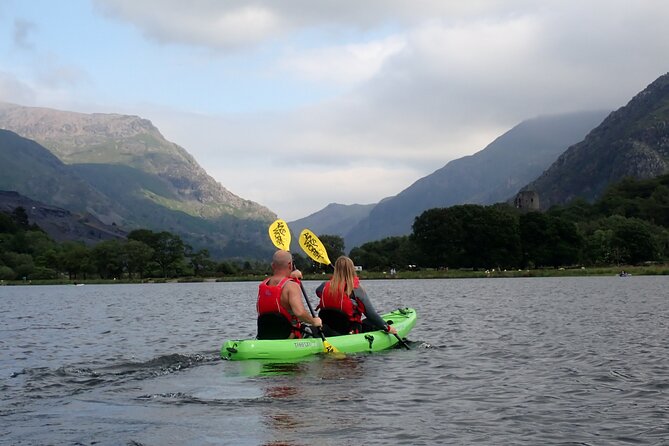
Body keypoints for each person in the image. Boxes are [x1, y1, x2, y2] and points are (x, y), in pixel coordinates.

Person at [316, 256, 398, 336]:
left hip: (328, 329)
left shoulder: (324, 286)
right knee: (371, 322)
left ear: (336, 270)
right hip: (349, 330)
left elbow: (318, 292)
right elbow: (371, 314)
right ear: (352, 270)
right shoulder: (356, 289)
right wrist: (387, 328)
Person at [256, 250, 322, 339]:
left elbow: (259, 309)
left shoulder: (263, 285)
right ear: (290, 265)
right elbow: (299, 312)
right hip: (288, 336)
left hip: (265, 335)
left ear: (273, 265)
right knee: (320, 329)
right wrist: (313, 321)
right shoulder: (291, 286)